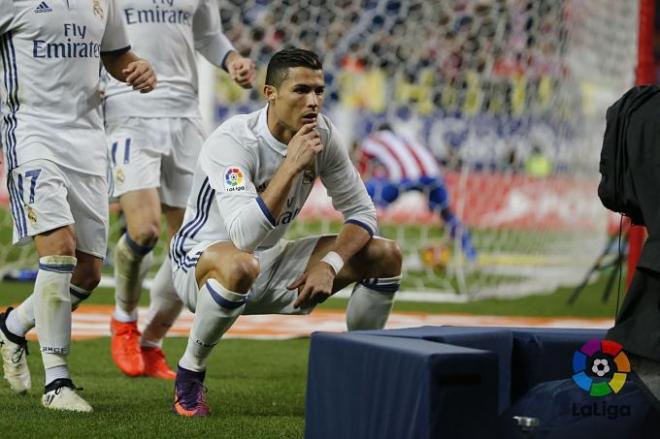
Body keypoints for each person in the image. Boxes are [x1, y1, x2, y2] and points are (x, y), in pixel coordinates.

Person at [169, 48, 402, 416]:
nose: (313, 102)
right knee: (241, 264)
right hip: (199, 264)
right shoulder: (232, 141)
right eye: (301, 90)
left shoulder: (323, 135)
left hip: (267, 260)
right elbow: (244, 237)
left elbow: (362, 212)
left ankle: (363, 370)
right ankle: (190, 373)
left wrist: (330, 263)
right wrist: (291, 165)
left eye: (319, 91)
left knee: (385, 255)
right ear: (270, 94)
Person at [0, 3, 156, 412]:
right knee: (60, 249)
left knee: (87, 272)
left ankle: (12, 326)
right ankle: (57, 383)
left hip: (88, 139)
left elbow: (117, 55)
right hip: (31, 133)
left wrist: (137, 68)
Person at [103, 0, 256, 380]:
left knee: (192, 243)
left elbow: (207, 35)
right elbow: (94, 39)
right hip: (128, 109)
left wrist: (232, 58)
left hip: (185, 115)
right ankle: (124, 320)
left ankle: (152, 342)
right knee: (144, 231)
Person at [356, 124, 477, 262]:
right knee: (447, 213)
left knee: (364, 204)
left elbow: (362, 172)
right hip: (433, 175)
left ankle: (378, 250)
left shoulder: (372, 139)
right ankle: (471, 253)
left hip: (403, 178)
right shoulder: (408, 137)